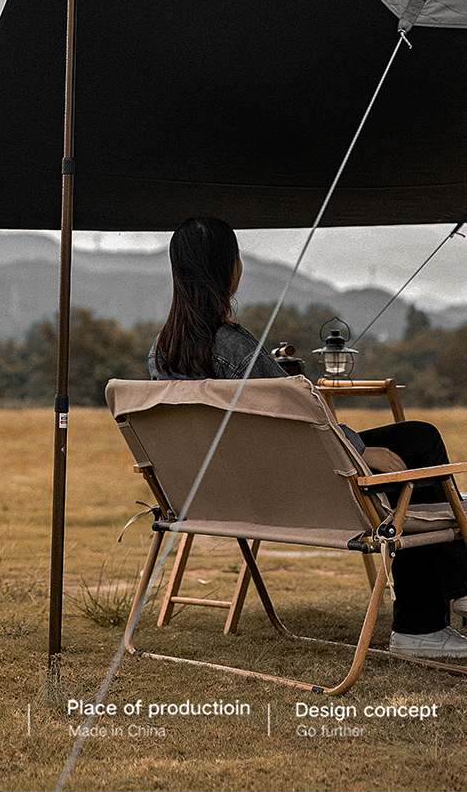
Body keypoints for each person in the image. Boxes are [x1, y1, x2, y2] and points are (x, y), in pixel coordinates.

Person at [149, 215, 467, 659]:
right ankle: (427, 619)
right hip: (294, 488)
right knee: (419, 441)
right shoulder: (233, 346)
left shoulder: (160, 355)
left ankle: (449, 592)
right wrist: (360, 449)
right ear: (230, 268)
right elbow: (299, 419)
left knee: (413, 443)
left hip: (222, 494)